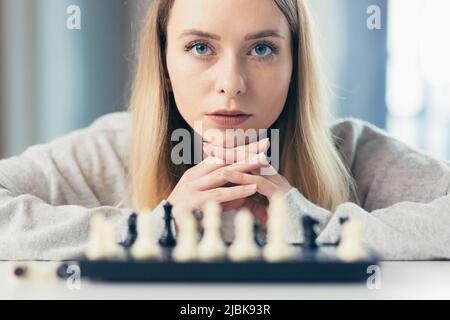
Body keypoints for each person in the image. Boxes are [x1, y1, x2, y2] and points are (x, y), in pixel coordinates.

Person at [0, 0, 449, 260]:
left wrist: (313, 226)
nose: (231, 84)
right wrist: (153, 227)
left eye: (261, 48)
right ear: (164, 64)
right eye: (200, 47)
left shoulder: (355, 152)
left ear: (296, 64)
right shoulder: (110, 151)